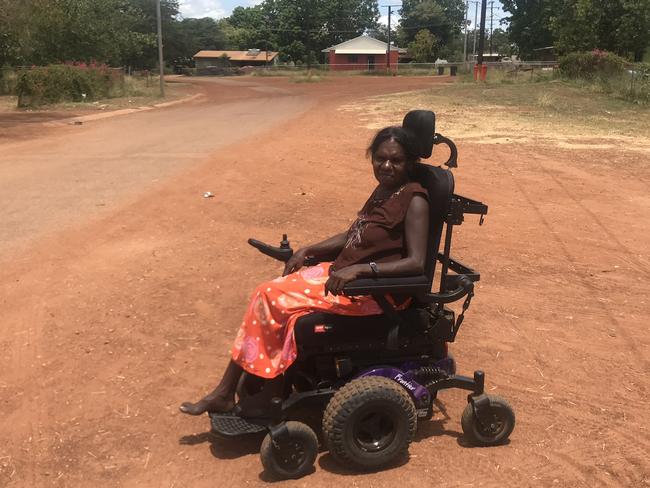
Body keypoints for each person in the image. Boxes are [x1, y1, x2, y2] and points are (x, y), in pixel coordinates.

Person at [180, 125, 430, 415]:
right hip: (343, 275)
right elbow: (353, 234)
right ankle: (239, 388)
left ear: (410, 162)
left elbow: (416, 263)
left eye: (396, 160)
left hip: (373, 294)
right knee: (271, 291)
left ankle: (265, 392)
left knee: (275, 298)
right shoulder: (385, 189)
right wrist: (309, 250)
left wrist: (362, 270)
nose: (386, 166)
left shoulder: (414, 200)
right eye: (380, 158)